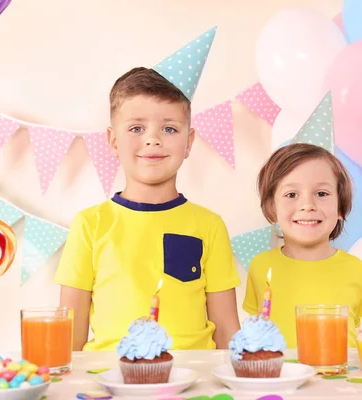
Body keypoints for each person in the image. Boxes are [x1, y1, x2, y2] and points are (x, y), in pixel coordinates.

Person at [54, 28, 241, 351]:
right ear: (113, 140)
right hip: (110, 379)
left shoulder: (209, 226)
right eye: (137, 128)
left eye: (169, 128)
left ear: (189, 142)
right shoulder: (90, 225)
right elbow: (68, 340)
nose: (153, 139)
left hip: (195, 380)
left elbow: (227, 332)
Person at [243, 143, 362, 347]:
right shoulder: (261, 266)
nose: (308, 205)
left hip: (338, 376)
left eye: (321, 194)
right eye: (292, 195)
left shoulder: (356, 269)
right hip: (281, 376)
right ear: (271, 208)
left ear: (341, 206)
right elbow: (253, 331)